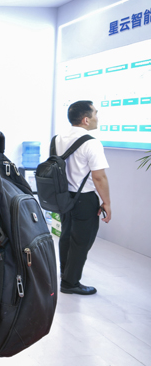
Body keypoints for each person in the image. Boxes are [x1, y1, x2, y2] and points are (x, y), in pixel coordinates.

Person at [54, 100, 111, 295]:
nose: (97, 118)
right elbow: (99, 177)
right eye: (95, 114)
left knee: (66, 236)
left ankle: (66, 273)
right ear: (86, 119)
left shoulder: (57, 139)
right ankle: (70, 283)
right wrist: (107, 202)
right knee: (81, 241)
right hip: (84, 199)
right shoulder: (92, 143)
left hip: (63, 197)